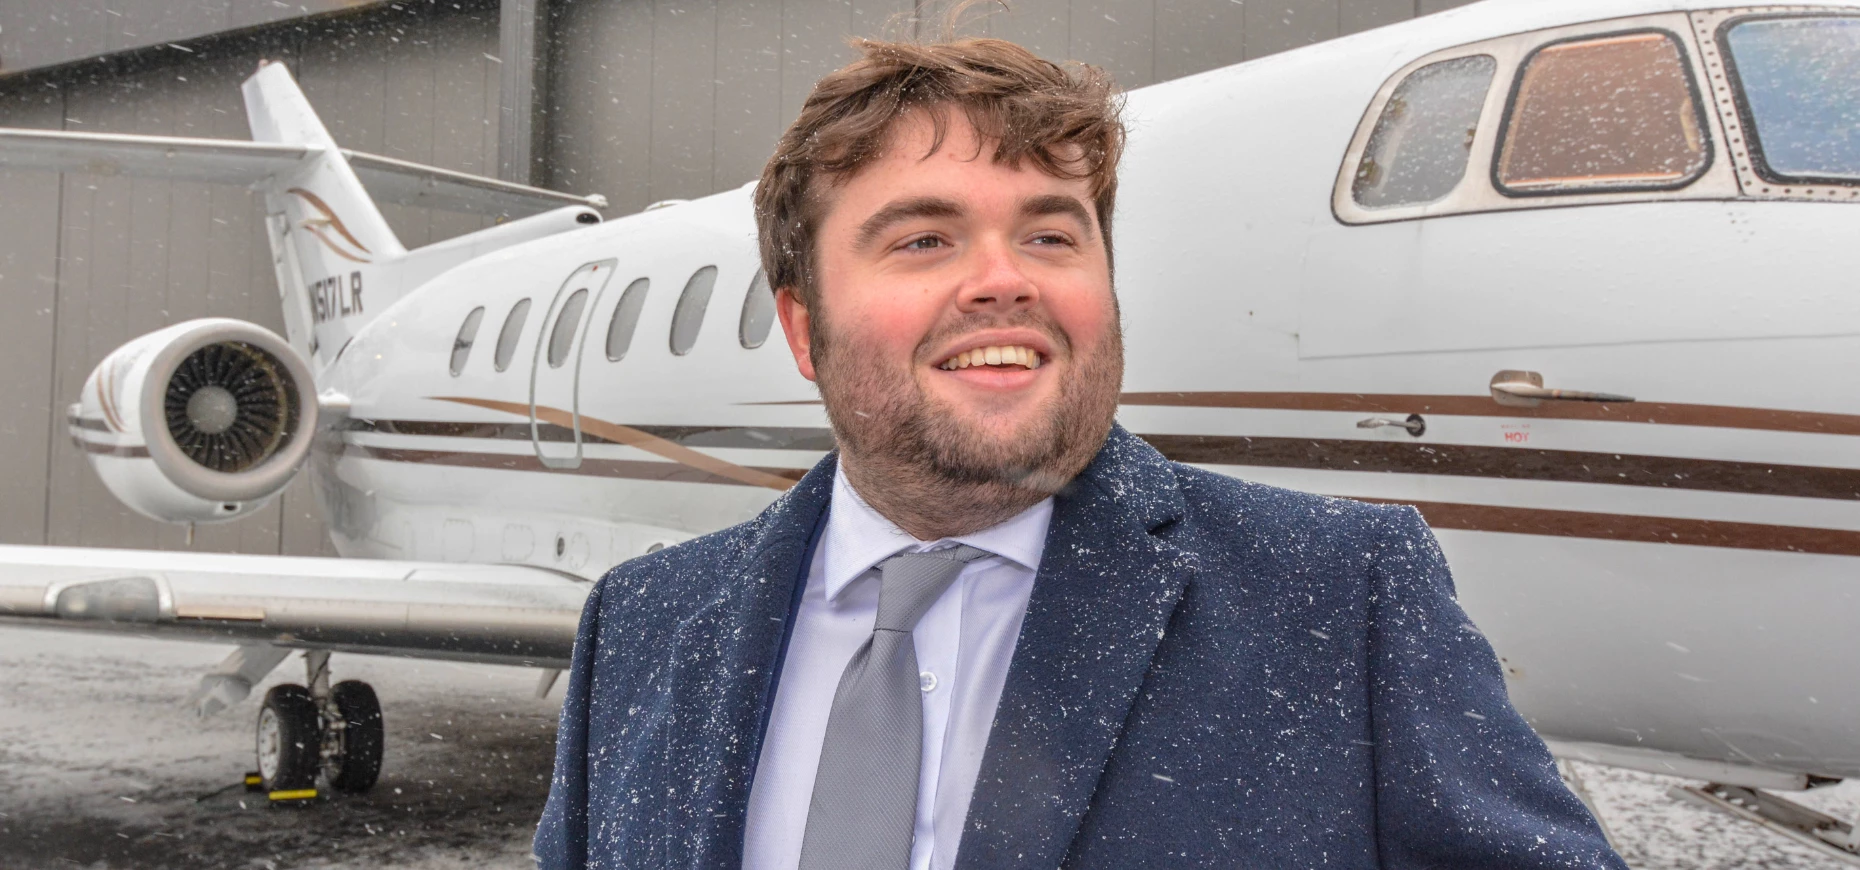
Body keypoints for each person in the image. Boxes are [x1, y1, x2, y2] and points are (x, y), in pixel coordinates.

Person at [534, 35, 1627, 870]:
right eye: (923, 239)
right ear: (805, 328)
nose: (1005, 277)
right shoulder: (645, 622)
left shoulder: (1341, 599)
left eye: (1053, 235)